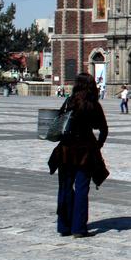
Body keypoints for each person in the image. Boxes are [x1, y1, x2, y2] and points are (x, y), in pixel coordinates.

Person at [48, 72, 109, 238]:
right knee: (82, 189)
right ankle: (79, 228)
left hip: (66, 150)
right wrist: (98, 145)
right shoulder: (93, 105)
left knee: (65, 187)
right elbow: (103, 128)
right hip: (86, 152)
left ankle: (64, 226)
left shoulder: (70, 101)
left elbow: (57, 122)